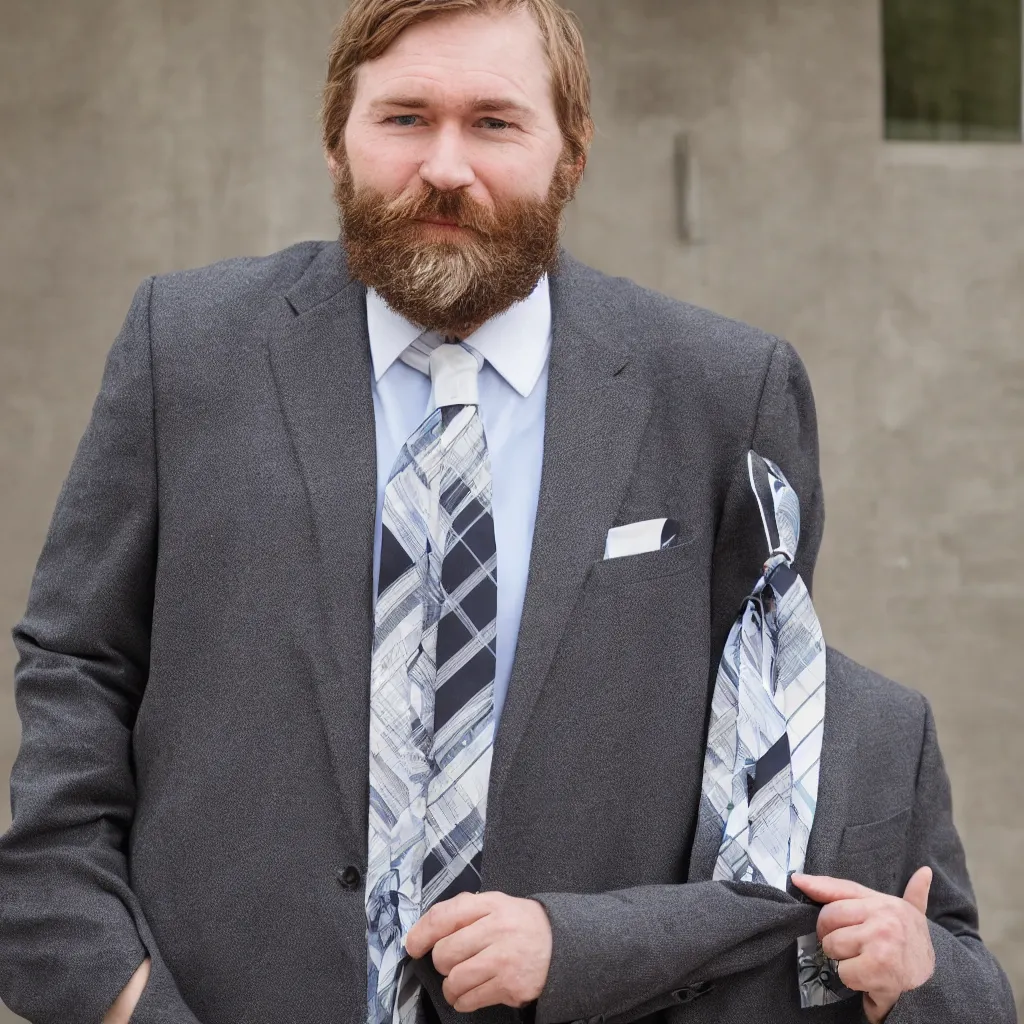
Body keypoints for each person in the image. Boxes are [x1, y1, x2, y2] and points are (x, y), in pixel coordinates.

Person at [0, 1, 1013, 1023]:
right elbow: (77, 669)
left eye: (494, 122)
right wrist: (115, 991)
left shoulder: (723, 395)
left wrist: (580, 947)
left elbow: (762, 795)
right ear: (335, 140)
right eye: (404, 118)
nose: (446, 165)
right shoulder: (189, 349)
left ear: (570, 152)